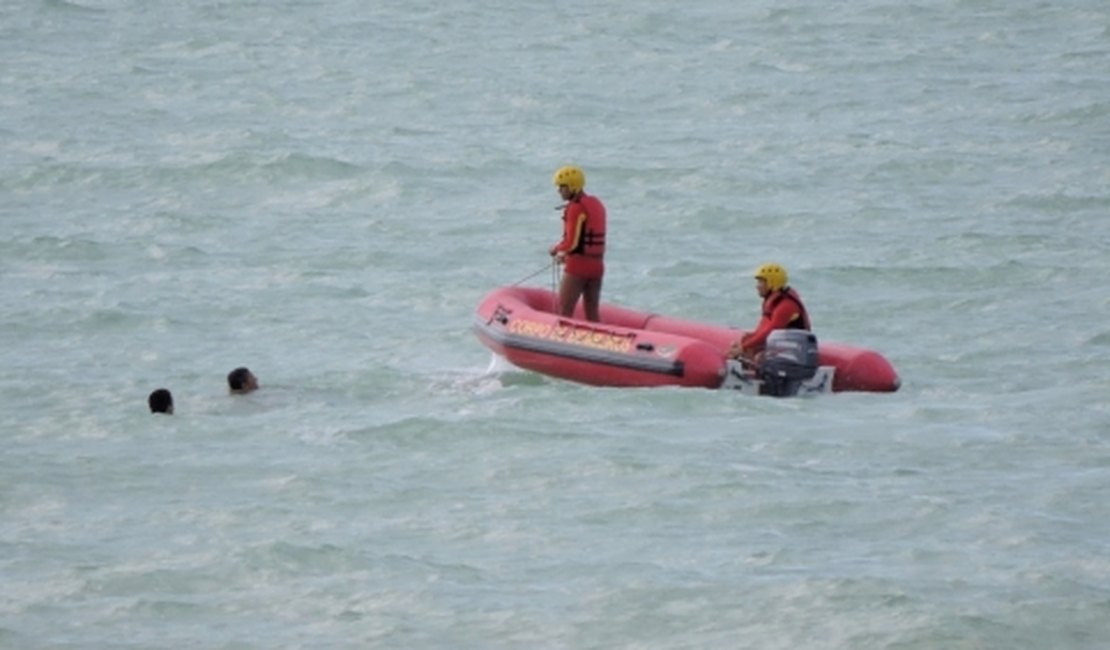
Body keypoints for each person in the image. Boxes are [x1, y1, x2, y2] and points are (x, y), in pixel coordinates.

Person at [548, 165, 607, 322]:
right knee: (592, 313)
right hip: (597, 267)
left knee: (564, 310)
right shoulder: (596, 204)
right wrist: (565, 255)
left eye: (562, 187)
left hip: (578, 267)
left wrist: (555, 249)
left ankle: (560, 344)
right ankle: (597, 344)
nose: (559, 191)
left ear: (572, 186)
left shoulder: (575, 208)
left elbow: (571, 244)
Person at [728, 262, 811, 363]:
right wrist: (744, 344)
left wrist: (743, 347)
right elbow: (762, 329)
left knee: (759, 357)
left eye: (761, 282)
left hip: (795, 349)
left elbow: (770, 332)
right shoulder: (771, 301)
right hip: (782, 344)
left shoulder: (786, 305)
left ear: (772, 282)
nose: (757, 286)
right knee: (746, 339)